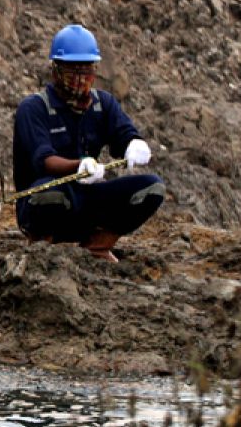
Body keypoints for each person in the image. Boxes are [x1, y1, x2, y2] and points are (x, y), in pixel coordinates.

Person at [12, 24, 165, 261]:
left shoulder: (102, 104)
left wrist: (134, 144)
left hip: (88, 201)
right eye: (73, 72)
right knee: (49, 194)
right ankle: (43, 247)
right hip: (46, 204)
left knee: (151, 188)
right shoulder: (33, 109)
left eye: (86, 71)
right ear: (55, 71)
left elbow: (123, 133)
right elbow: (43, 160)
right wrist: (79, 166)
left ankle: (98, 244)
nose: (80, 80)